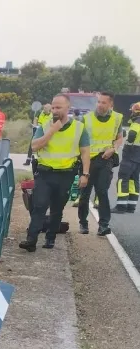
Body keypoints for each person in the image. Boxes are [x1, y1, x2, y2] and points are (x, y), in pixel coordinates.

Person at [20, 94, 91, 252]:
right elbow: (35, 146)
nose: (55, 110)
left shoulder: (79, 128)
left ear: (68, 108)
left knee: (57, 208)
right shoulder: (45, 125)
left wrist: (85, 174)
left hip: (66, 174)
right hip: (45, 173)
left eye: (58, 107)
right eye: (53, 107)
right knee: (39, 206)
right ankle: (31, 240)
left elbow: (85, 152)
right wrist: (52, 131)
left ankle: (50, 238)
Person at [78, 92, 123, 234]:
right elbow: (79, 139)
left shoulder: (117, 118)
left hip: (105, 159)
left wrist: (113, 148)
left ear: (111, 105)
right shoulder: (86, 118)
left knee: (102, 192)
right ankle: (83, 223)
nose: (100, 105)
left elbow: (119, 137)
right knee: (84, 194)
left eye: (104, 103)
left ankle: (103, 225)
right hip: (88, 160)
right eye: (99, 102)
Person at [116, 103, 140, 213]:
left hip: (131, 154)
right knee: (134, 180)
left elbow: (132, 135)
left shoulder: (137, 121)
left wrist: (129, 143)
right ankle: (131, 206)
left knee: (123, 179)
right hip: (138, 156)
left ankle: (121, 206)